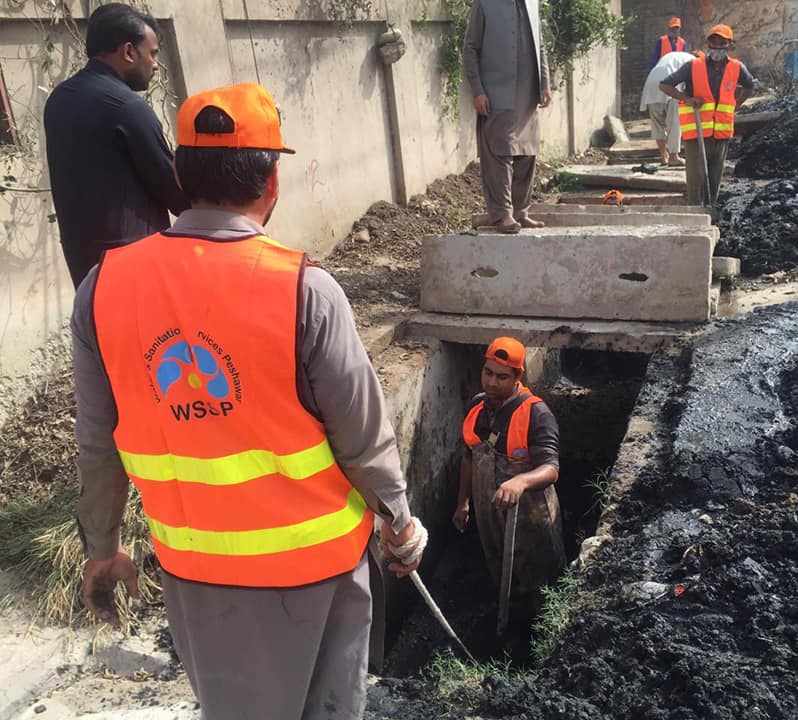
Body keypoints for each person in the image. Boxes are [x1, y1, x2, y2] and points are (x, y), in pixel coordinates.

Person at [71, 82, 426, 720]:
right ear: (273, 183)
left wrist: (103, 546)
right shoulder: (305, 291)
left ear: (178, 173)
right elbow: (363, 436)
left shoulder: (103, 288)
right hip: (315, 572)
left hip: (196, 573)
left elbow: (98, 444)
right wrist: (399, 522)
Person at [44, 3, 188, 289]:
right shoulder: (127, 107)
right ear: (128, 52)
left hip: (86, 269)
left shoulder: (59, 100)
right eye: (153, 53)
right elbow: (176, 194)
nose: (156, 64)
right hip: (137, 266)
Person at [453, 337, 564, 614]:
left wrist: (521, 481)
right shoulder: (477, 408)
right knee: (499, 563)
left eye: (501, 376)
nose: (491, 382)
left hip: (531, 518)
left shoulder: (536, 414)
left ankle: (543, 626)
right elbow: (468, 457)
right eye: (487, 372)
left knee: (540, 572)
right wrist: (462, 503)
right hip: (490, 511)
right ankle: (511, 614)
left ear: (518, 377)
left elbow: (551, 468)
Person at [463, 0, 552, 234]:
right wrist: (478, 90)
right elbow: (470, 48)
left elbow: (540, 45)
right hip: (496, 92)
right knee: (500, 152)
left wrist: (545, 83)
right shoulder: (484, 4)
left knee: (527, 153)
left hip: (527, 93)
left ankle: (521, 212)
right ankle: (502, 214)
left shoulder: (533, 3)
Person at [659, 24, 755, 206]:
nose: (717, 46)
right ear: (708, 44)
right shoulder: (693, 66)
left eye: (722, 43)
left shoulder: (737, 68)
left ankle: (711, 211)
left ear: (729, 46)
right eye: (714, 42)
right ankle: (695, 212)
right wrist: (687, 99)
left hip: (721, 134)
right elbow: (665, 85)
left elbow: (750, 86)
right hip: (697, 134)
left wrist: (736, 104)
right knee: (696, 181)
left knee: (714, 179)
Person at [640, 50, 695, 166]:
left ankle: (663, 156)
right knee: (674, 122)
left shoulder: (672, 56)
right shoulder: (694, 62)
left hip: (651, 83)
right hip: (669, 85)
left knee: (657, 123)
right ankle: (674, 157)